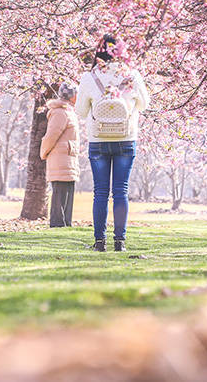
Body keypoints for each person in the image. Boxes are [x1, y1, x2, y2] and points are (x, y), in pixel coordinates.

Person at [75, 35, 150, 252]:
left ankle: (99, 241)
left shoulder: (90, 77)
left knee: (100, 192)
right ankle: (120, 242)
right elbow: (144, 105)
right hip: (125, 138)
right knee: (120, 191)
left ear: (99, 52)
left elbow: (80, 111)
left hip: (98, 140)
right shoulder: (132, 75)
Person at [40, 83, 80, 228]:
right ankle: (57, 223)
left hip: (68, 158)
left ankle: (65, 222)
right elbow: (51, 136)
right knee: (60, 192)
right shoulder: (60, 112)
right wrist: (43, 152)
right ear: (72, 96)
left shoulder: (68, 111)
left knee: (67, 191)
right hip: (61, 158)